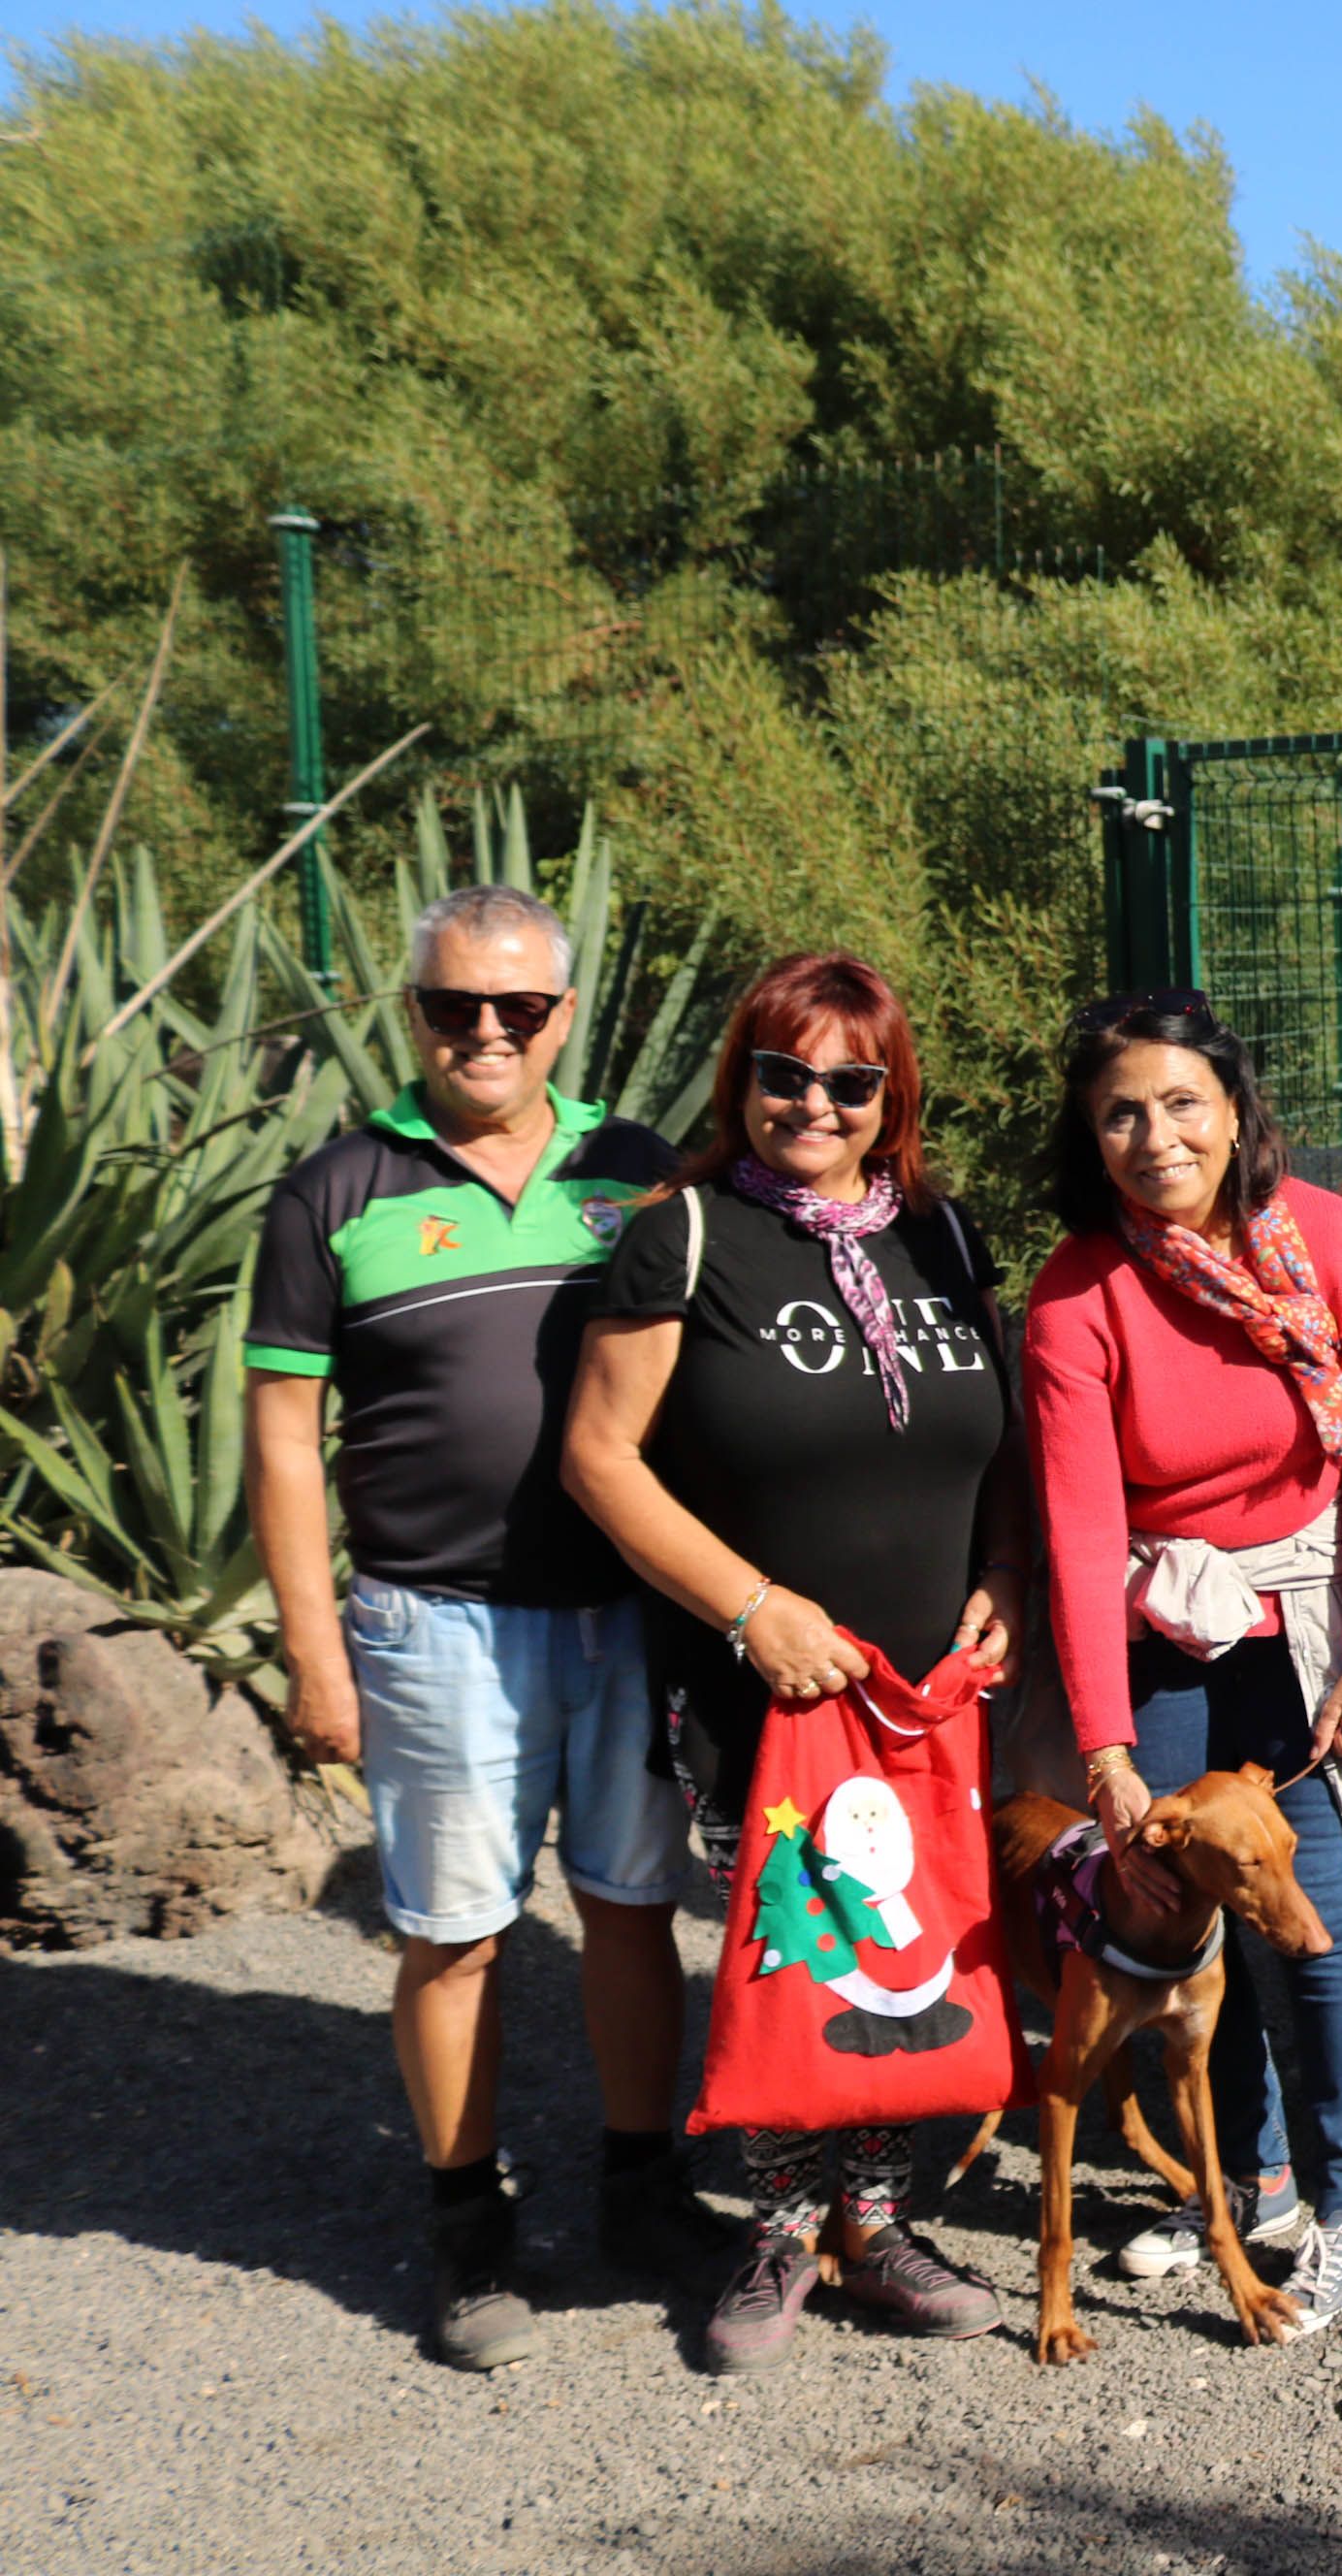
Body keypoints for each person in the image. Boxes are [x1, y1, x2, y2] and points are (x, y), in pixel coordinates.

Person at [245, 883, 719, 2372]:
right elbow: (279, 1438)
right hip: (433, 1626)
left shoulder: (636, 1172)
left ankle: (640, 2192)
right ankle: (467, 2230)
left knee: (636, 1907)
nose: (491, 1031)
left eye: (522, 1006)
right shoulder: (334, 1191)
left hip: (628, 1617)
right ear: (419, 1016)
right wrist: (317, 1654)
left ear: (565, 1017)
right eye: (460, 1005)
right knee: (454, 1935)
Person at [564, 954, 1021, 2373]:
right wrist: (753, 1606)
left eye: (848, 1080)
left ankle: (872, 2225)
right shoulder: (681, 1238)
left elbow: (998, 1440)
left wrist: (1005, 1577)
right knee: (794, 1945)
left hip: (923, 1692)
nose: (812, 1103)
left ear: (893, 1097)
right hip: (761, 1686)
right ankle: (779, 2227)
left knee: (903, 1939)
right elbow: (597, 1456)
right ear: (738, 1081)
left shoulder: (945, 1240)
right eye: (783, 1073)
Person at [1023, 989, 1342, 2334]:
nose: (1154, 1134)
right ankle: (1244, 2189)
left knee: (1314, 1920)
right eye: (1121, 1111)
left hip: (1309, 1624)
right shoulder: (1081, 1290)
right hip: (1165, 1632)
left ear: (1236, 1110)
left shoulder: (1329, 1239)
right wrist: (1107, 1750)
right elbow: (1078, 1533)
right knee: (1181, 1928)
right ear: (1090, 1131)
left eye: (1182, 1102)